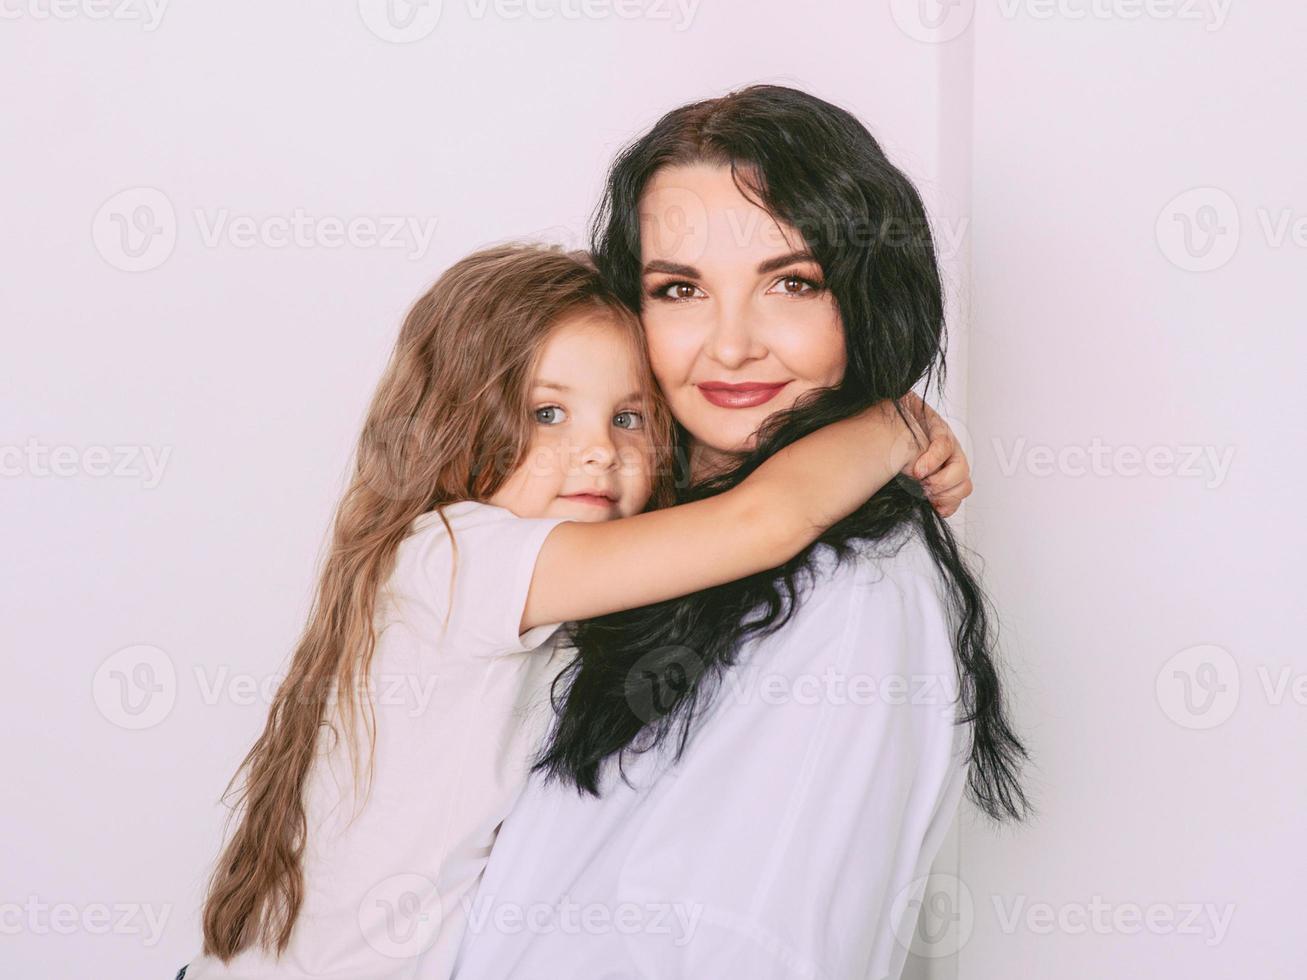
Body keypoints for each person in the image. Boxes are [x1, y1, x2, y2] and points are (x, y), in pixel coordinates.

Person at [176, 242, 970, 980]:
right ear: (450, 425)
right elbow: (755, 524)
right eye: (547, 413)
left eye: (626, 418)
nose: (598, 451)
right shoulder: (455, 557)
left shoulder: (538, 579)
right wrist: (892, 422)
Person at [451, 85, 1032, 978]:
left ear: (868, 299)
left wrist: (892, 422)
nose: (729, 347)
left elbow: (756, 949)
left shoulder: (857, 593)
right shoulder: (613, 525)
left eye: (790, 284)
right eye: (680, 289)